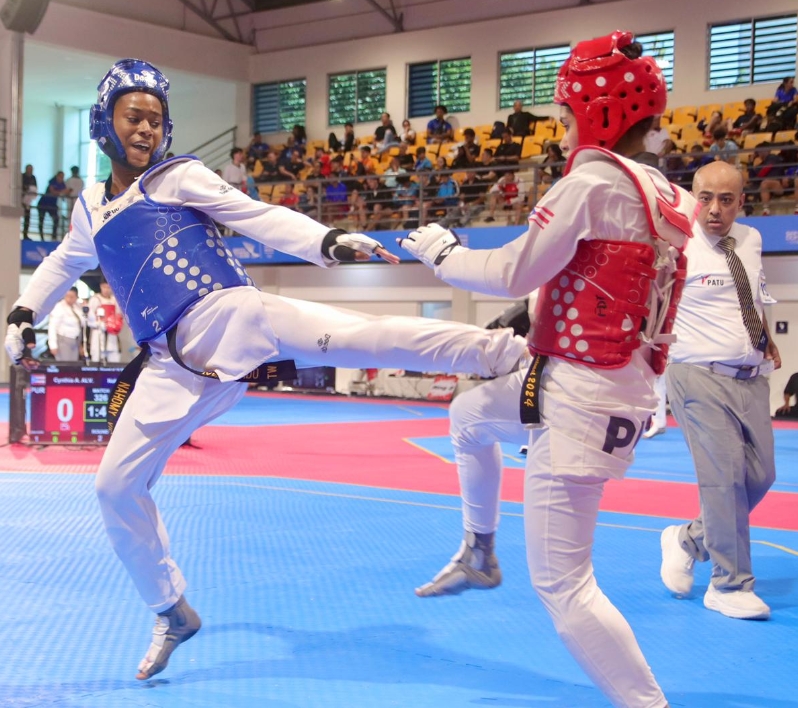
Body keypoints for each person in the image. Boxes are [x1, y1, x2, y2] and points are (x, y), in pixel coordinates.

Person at [3, 58, 527, 683]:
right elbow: (62, 262)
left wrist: (326, 242)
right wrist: (23, 308)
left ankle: (509, 354)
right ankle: (170, 610)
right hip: (172, 369)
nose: (145, 128)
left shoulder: (179, 177)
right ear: (104, 122)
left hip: (235, 317)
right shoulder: (90, 207)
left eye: (155, 118)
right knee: (113, 488)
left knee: (370, 338)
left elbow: (256, 214)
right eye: (133, 115)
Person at [399, 32, 696, 708]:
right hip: (615, 389)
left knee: (565, 586)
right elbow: (598, 279)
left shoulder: (593, 180)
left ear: (597, 115)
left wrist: (442, 253)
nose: (562, 134)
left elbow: (514, 269)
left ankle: (647, 704)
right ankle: (479, 548)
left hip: (579, 396)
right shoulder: (662, 191)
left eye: (565, 118)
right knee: (469, 415)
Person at [659, 160, 780, 621]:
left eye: (725, 199)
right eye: (705, 197)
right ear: (694, 197)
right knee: (724, 479)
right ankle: (729, 585)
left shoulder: (751, 240)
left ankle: (687, 538)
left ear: (740, 202)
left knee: (761, 476)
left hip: (751, 377)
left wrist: (765, 337)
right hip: (696, 375)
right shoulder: (674, 245)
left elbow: (749, 296)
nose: (714, 209)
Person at [87, 278, 123, 363]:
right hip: (99, 333)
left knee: (114, 358)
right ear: (100, 287)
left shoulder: (115, 300)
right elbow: (89, 319)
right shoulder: (95, 299)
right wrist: (99, 324)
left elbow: (119, 315)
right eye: (104, 287)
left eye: (108, 287)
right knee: (97, 358)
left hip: (112, 334)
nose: (106, 290)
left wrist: (117, 324)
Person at [47, 286, 85, 361]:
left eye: (72, 297)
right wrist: (53, 345)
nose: (69, 299)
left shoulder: (77, 306)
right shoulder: (59, 307)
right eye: (67, 296)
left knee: (73, 366)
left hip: (75, 340)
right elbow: (52, 327)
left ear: (76, 297)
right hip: (63, 340)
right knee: (65, 365)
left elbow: (83, 322)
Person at [37, 171, 69, 240]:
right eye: (60, 177)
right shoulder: (52, 181)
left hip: (52, 204)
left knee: (56, 219)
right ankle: (41, 237)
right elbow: (53, 192)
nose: (61, 178)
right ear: (57, 176)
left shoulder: (62, 183)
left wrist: (63, 192)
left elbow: (66, 192)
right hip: (44, 203)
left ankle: (54, 236)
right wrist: (61, 192)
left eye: (62, 177)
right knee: (41, 220)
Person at [21, 164, 38, 240]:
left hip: (29, 200)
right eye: (29, 169)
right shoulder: (22, 176)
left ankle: (25, 234)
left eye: (31, 169)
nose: (30, 171)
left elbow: (35, 187)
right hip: (21, 199)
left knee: (27, 217)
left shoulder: (33, 177)